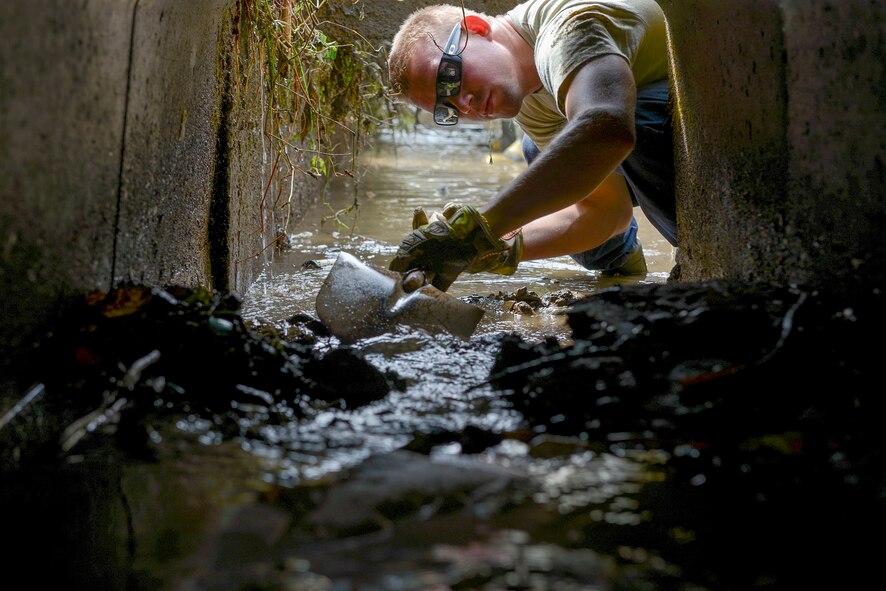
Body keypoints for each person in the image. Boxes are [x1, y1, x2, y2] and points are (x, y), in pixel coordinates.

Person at [386, 0, 678, 291]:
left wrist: (480, 228)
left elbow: (608, 129)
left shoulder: (567, 29)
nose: (464, 105)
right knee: (542, 152)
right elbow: (606, 214)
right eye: (447, 109)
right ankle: (624, 273)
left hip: (714, 110)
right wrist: (492, 248)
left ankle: (701, 257)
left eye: (449, 79)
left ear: (475, 29)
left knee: (601, 132)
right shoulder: (528, 101)